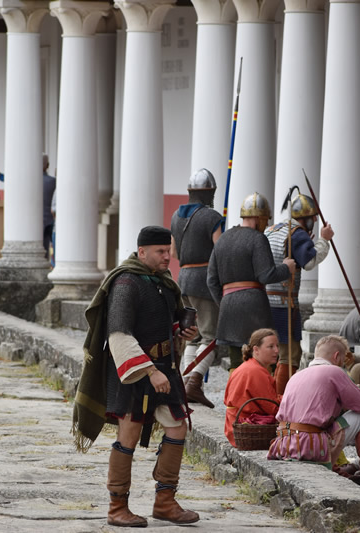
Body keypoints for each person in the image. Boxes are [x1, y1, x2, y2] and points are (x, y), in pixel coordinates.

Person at [72, 226, 200, 527]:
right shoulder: (126, 283)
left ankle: (165, 502)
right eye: (160, 252)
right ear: (142, 252)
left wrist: (181, 332)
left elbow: (164, 324)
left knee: (177, 427)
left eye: (168, 251)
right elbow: (119, 334)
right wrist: (150, 371)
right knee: (127, 434)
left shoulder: (165, 283)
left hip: (163, 369)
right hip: (132, 372)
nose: (167, 256)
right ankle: (117, 507)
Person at [269, 335, 360, 491]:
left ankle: (336, 470)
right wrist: (358, 391)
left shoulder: (297, 375)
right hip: (310, 445)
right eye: (344, 359)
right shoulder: (334, 371)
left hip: (284, 443)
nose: (344, 364)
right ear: (337, 356)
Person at [207, 192, 295, 370]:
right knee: (262, 361)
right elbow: (266, 275)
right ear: (257, 218)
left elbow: (211, 281)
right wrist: (286, 268)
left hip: (228, 307)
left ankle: (236, 397)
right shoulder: (258, 238)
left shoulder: (223, 238)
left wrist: (225, 302)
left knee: (236, 363)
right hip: (254, 308)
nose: (266, 224)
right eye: (265, 219)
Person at [264, 190, 333, 395]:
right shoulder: (297, 233)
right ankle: (282, 399)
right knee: (288, 355)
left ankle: (267, 395)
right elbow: (310, 261)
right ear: (308, 219)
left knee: (266, 352)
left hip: (265, 301)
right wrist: (324, 240)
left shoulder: (272, 229)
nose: (314, 221)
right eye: (312, 219)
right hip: (285, 304)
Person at [170, 168, 226, 408]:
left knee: (193, 335)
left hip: (183, 279)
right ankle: (193, 383)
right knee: (211, 336)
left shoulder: (175, 216)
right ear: (209, 192)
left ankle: (185, 383)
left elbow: (173, 253)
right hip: (205, 280)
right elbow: (220, 251)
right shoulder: (212, 217)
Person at [223, 328, 282, 447]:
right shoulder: (256, 372)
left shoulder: (249, 366)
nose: (276, 350)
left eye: (277, 346)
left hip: (235, 426)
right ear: (256, 349)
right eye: (270, 347)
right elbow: (273, 408)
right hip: (246, 429)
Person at [0, 153, 55, 257]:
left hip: (35, 219)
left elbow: (12, 181)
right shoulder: (53, 181)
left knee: (40, 246)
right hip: (51, 218)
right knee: (53, 244)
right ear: (47, 165)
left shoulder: (29, 181)